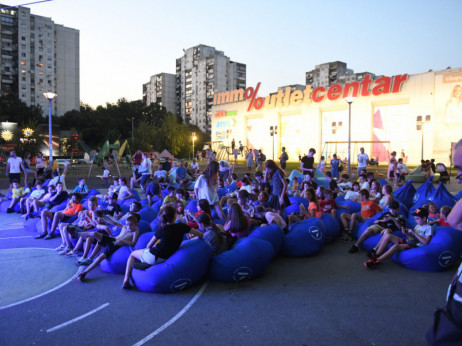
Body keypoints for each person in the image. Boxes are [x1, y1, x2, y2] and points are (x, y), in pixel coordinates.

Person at [121, 205, 202, 288]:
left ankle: (126, 281)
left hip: (155, 256)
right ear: (175, 215)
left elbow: (149, 245)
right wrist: (192, 239)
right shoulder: (182, 226)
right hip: (165, 256)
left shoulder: (162, 229)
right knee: (148, 252)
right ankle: (146, 262)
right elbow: (200, 234)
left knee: (133, 254)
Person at [77, 214, 140, 284]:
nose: (128, 227)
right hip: (112, 239)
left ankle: (84, 273)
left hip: (114, 245)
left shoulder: (135, 231)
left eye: (131, 225)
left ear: (136, 224)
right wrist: (104, 219)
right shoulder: (124, 227)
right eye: (127, 224)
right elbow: (115, 223)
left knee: (100, 258)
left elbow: (133, 243)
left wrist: (123, 241)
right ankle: (76, 233)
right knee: (94, 233)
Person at [364, 207, 433, 268]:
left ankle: (377, 261)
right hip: (409, 241)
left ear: (424, 218)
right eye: (415, 219)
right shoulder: (418, 226)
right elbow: (411, 238)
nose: (416, 221)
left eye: (417, 219)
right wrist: (406, 232)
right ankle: (376, 255)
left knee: (395, 246)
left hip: (415, 246)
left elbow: (426, 242)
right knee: (388, 235)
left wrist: (414, 233)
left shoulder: (428, 228)